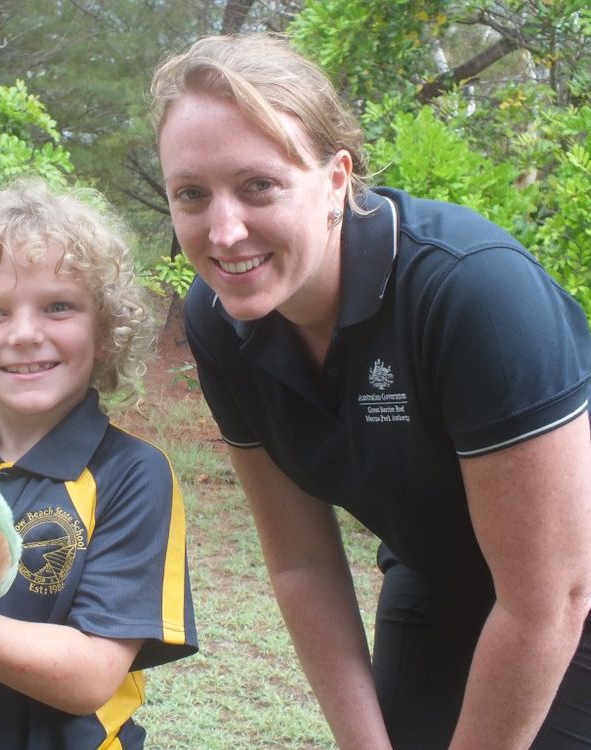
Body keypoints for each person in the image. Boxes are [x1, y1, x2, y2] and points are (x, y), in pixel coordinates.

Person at [150, 32, 591, 750]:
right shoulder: (220, 318)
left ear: (336, 179)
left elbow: (551, 600)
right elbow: (301, 563)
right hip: (438, 575)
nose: (224, 233)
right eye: (192, 194)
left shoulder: (471, 293)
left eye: (259, 185)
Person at [0, 177, 198, 750]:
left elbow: (89, 678)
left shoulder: (132, 474)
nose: (25, 334)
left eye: (58, 306)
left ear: (104, 331)